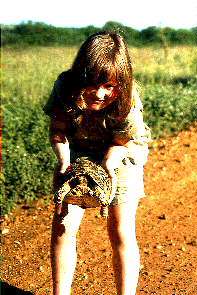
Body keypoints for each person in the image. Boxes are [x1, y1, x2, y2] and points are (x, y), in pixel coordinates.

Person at [44, 31, 151, 295]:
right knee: (63, 226)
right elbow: (58, 129)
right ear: (81, 74)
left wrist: (109, 164)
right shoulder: (64, 86)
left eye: (109, 86)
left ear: (121, 82)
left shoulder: (129, 98)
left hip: (121, 153)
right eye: (92, 84)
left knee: (120, 229)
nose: (100, 94)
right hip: (78, 151)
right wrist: (63, 161)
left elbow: (123, 141)